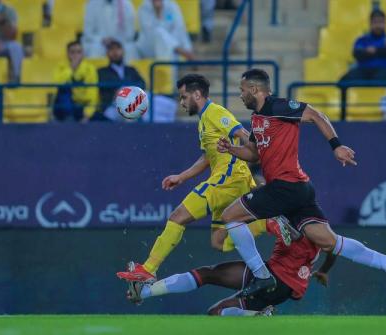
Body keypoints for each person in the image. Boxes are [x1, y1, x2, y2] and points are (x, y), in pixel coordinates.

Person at [216, 68, 386, 299]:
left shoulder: (279, 107)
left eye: (242, 90)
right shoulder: (257, 118)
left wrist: (336, 145)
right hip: (298, 190)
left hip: (285, 186)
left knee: (230, 216)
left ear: (254, 89)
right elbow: (253, 154)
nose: (240, 95)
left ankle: (261, 276)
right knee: (328, 242)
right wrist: (231, 149)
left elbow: (317, 116)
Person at [117, 74, 289, 283]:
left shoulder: (215, 112)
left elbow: (244, 134)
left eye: (183, 97)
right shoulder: (204, 121)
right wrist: (181, 177)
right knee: (219, 241)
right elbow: (207, 157)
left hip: (228, 179)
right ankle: (268, 224)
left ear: (197, 94)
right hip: (230, 179)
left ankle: (149, 269)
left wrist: (261, 161)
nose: (181, 103)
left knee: (177, 216)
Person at [126, 219, 336, 316]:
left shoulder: (295, 221)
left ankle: (258, 316)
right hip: (275, 279)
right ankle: (145, 291)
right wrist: (324, 270)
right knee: (209, 277)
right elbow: (335, 247)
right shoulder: (318, 224)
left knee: (216, 310)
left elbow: (254, 216)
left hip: (274, 280)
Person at [340, 9, 386, 82]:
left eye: (381, 22)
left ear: (385, 23)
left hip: (385, 70)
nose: (378, 25)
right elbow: (357, 54)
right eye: (375, 22)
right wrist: (383, 51)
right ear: (370, 24)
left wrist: (373, 50)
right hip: (364, 70)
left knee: (380, 79)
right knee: (343, 81)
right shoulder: (362, 40)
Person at [94, 39, 145, 121]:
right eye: (111, 49)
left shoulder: (131, 70)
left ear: (123, 51)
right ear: (107, 53)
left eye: (118, 49)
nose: (115, 52)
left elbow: (142, 84)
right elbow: (101, 91)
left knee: (153, 99)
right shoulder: (101, 72)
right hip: (112, 106)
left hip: (134, 101)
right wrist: (116, 93)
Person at [52, 41, 98, 122]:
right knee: (64, 89)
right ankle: (68, 118)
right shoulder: (60, 67)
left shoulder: (90, 69)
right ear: (67, 54)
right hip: (64, 106)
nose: (76, 55)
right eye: (72, 52)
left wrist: (87, 115)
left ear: (83, 54)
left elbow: (92, 94)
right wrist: (71, 69)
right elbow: (57, 84)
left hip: (82, 106)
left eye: (79, 52)